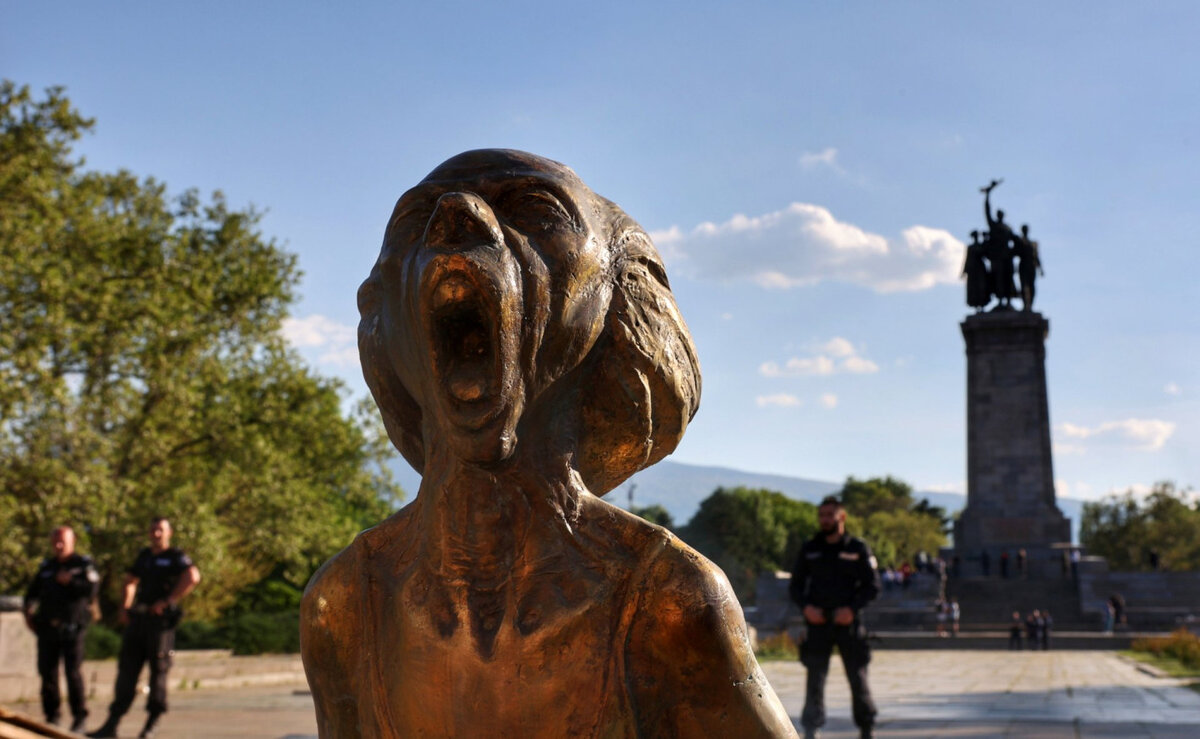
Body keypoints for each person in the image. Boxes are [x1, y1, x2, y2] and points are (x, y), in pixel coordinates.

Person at [89, 518, 200, 739]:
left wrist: (168, 601)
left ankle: (151, 723)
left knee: (158, 672)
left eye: (160, 530)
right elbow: (130, 580)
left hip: (160, 624)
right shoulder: (145, 556)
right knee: (126, 672)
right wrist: (125, 607)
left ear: (169, 533)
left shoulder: (175, 557)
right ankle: (112, 724)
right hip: (139, 619)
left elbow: (193, 577)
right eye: (153, 530)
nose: (156, 534)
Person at [789, 496, 882, 739]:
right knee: (815, 679)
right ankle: (811, 728)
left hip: (848, 623)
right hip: (818, 622)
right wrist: (806, 608)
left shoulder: (857, 548)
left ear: (842, 517)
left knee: (858, 677)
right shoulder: (810, 549)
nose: (825, 520)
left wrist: (852, 609)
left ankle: (866, 727)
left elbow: (872, 586)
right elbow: (795, 586)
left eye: (830, 515)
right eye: (822, 515)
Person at [22, 526, 100, 731]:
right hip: (47, 628)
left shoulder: (83, 564)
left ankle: (79, 718)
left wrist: (71, 581)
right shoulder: (47, 566)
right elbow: (32, 593)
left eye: (62, 542)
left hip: (73, 627)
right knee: (47, 674)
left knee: (73, 673)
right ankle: (52, 717)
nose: (58, 546)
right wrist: (28, 612)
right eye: (55, 542)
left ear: (72, 541)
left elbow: (91, 590)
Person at [1014, 224, 1043, 311]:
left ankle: (1030, 304)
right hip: (1023, 266)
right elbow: (1015, 252)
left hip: (1031, 267)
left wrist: (1040, 268)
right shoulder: (1020, 242)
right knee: (1024, 286)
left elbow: (1036, 257)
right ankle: (1025, 304)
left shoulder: (1033, 244)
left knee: (1031, 287)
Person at [961, 230, 991, 311]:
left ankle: (981, 304)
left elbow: (987, 254)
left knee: (982, 287)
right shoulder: (971, 247)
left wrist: (986, 240)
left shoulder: (981, 246)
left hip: (980, 269)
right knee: (974, 289)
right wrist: (964, 271)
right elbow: (967, 259)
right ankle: (977, 306)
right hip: (973, 270)